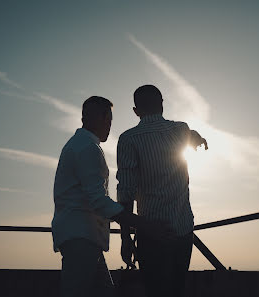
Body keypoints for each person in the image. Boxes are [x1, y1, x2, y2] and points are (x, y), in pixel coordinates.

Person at [52, 96, 169, 297]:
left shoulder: (78, 145)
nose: (109, 126)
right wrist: (144, 224)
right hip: (82, 238)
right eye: (109, 120)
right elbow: (98, 201)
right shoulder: (88, 149)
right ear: (102, 117)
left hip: (82, 237)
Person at [116, 85, 208, 297]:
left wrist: (125, 239)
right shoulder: (180, 129)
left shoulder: (129, 139)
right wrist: (199, 138)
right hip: (183, 230)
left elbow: (126, 194)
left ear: (136, 111)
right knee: (177, 290)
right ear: (162, 105)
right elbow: (191, 134)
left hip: (152, 233)